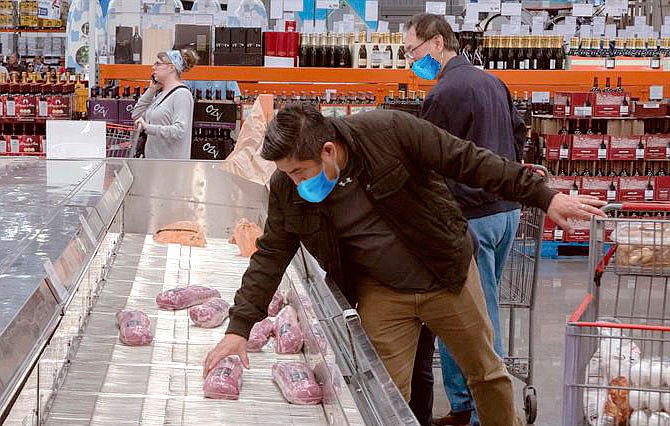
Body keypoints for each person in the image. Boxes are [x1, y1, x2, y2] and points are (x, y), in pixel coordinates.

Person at [202, 103, 605, 426]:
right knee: (382, 392)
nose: (293, 183)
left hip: (444, 273)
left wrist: (543, 195)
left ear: (327, 150)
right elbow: (271, 255)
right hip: (381, 291)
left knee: (485, 372)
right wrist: (240, 327)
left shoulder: (389, 132)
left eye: (298, 172)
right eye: (286, 174)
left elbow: (468, 160)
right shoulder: (287, 192)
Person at [403, 14, 527, 426]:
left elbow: (424, 158)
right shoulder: (493, 82)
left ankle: (475, 412)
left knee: (468, 319)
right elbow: (520, 133)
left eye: (413, 52)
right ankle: (466, 407)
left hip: (470, 218)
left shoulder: (444, 93)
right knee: (480, 311)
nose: (410, 62)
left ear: (438, 43)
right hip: (506, 213)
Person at [132, 49, 197, 159]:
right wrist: (151, 90)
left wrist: (148, 128)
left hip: (170, 167)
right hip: (154, 164)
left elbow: (180, 130)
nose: (153, 68)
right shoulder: (160, 94)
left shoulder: (182, 95)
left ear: (172, 67)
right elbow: (136, 115)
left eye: (158, 64)